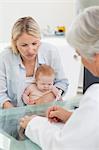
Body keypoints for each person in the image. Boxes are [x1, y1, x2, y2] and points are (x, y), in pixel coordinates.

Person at [20, 6, 99, 150]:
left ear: (96, 58)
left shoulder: (95, 98)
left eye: (79, 55)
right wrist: (71, 116)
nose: (81, 61)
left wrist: (33, 124)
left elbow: (64, 146)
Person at [0, 16, 68, 109]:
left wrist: (44, 100)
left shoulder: (50, 51)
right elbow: (1, 95)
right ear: (14, 43)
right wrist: (15, 115)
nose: (31, 50)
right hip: (15, 113)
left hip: (47, 111)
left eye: (34, 44)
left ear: (39, 39)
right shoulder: (5, 58)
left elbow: (62, 82)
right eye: (24, 45)